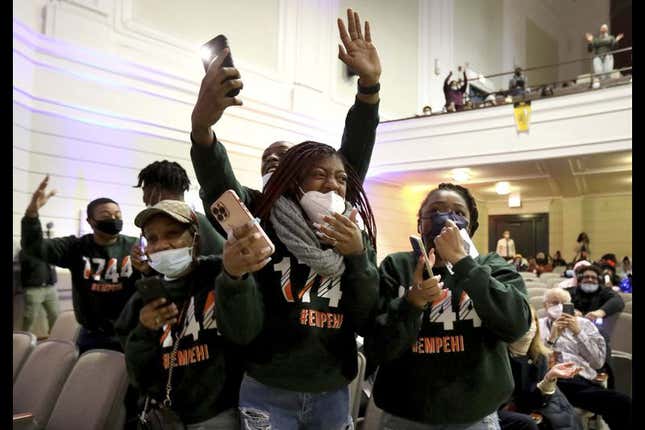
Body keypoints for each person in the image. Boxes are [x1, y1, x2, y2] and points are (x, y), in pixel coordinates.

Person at [215, 141, 379, 429]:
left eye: (341, 178)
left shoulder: (355, 238)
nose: (332, 185)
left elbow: (365, 316)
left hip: (332, 389)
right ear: (296, 182)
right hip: (268, 387)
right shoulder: (266, 226)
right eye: (319, 174)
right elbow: (241, 327)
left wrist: (358, 256)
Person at [190, 7, 381, 224]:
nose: (332, 185)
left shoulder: (339, 216)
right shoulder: (257, 211)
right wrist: (201, 129)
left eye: (283, 156)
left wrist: (369, 85)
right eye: (267, 158)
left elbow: (357, 145)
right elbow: (220, 188)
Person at [364, 182, 531, 429]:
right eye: (436, 211)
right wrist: (412, 302)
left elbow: (516, 325)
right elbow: (378, 348)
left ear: (471, 227)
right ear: (420, 224)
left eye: (458, 213)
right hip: (405, 415)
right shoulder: (396, 266)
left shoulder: (493, 265)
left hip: (475, 416)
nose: (446, 218)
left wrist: (463, 262)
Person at [116, 200, 262, 429]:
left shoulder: (220, 274)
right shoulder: (142, 298)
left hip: (219, 414)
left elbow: (244, 334)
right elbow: (138, 375)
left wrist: (234, 278)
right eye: (152, 239)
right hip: (167, 417)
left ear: (195, 239)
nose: (161, 245)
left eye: (172, 234)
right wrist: (144, 331)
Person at [21, 175, 140, 353]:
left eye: (118, 215)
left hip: (131, 334)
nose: (113, 219)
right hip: (92, 335)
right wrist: (32, 214)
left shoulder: (135, 246)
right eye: (106, 215)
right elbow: (34, 247)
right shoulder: (75, 247)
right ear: (90, 221)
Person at [539, 288, 632, 429]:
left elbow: (597, 362)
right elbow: (537, 363)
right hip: (552, 381)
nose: (559, 306)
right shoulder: (537, 326)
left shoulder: (585, 325)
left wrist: (578, 332)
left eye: (564, 303)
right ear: (545, 306)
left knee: (622, 404)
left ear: (570, 305)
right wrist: (551, 338)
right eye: (554, 303)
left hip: (582, 381)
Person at [132, 160, 225, 272]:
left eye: (172, 233)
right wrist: (148, 270)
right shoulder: (149, 224)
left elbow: (228, 264)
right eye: (152, 239)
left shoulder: (198, 222)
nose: (144, 199)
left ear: (155, 191)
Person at [501, 306, 583, 430]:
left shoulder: (538, 354)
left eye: (533, 321)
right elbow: (522, 401)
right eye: (523, 322)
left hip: (548, 405)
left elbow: (535, 400)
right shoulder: (499, 357)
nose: (529, 327)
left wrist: (550, 378)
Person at [19, 247, 59, 334]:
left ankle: (53, 340)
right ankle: (23, 341)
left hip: (50, 288)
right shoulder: (25, 251)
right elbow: (30, 264)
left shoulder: (50, 249)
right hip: (34, 290)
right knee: (30, 318)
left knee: (55, 315)